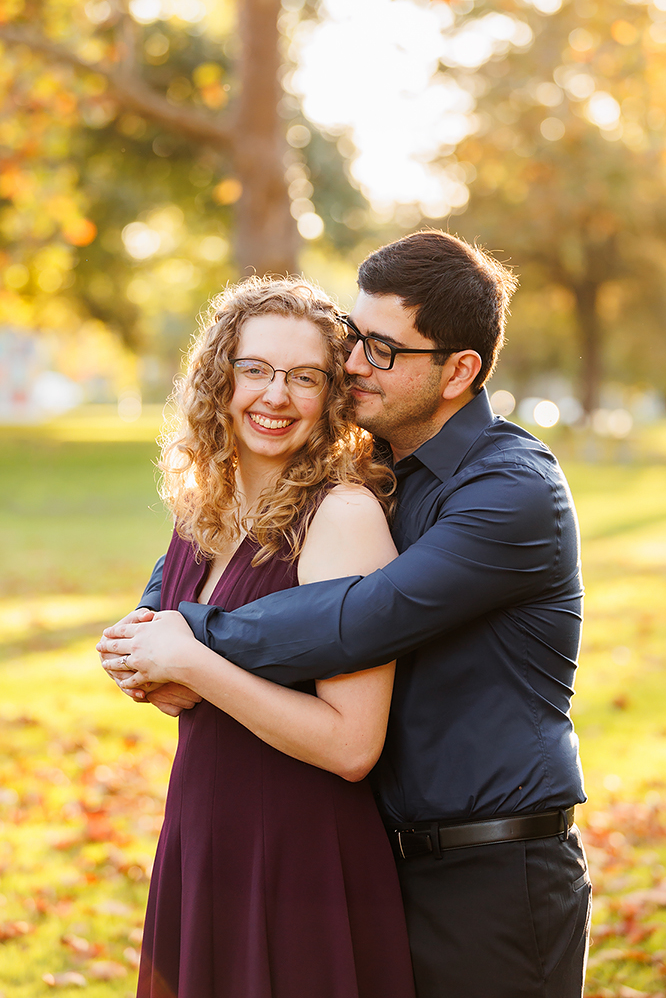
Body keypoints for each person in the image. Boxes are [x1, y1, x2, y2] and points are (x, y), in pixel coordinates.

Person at [101, 231, 591, 998]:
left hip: (490, 870)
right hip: (378, 849)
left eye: (383, 350)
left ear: (460, 370)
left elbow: (360, 619)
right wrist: (145, 634)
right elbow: (178, 586)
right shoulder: (375, 468)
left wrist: (191, 643)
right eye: (356, 340)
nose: (355, 363)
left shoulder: (510, 491)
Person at [100, 276, 416, 998]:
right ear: (221, 377)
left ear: (333, 394)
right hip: (205, 835)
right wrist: (141, 665)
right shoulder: (202, 511)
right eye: (256, 370)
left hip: (300, 859)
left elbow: (353, 745)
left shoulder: (342, 518)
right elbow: (187, 667)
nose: (276, 396)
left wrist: (192, 664)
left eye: (304, 377)